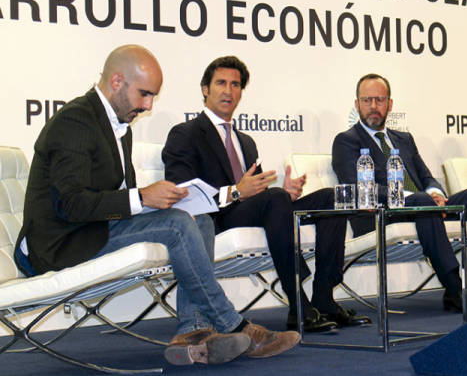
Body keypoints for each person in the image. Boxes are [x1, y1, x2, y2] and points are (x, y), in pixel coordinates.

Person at [14, 45, 298, 366]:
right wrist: (143, 197)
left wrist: (156, 201)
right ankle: (233, 323)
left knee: (197, 217)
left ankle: (191, 332)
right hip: (60, 242)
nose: (148, 105)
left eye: (153, 97)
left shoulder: (120, 124)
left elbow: (112, 198)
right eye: (144, 94)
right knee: (177, 224)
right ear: (117, 81)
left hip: (95, 228)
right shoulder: (76, 121)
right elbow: (70, 205)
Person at [162, 56, 370, 332]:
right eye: (221, 83)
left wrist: (285, 194)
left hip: (257, 211)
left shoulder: (245, 141)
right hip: (214, 220)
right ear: (205, 89)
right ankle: (298, 303)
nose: (228, 91)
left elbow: (258, 193)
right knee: (274, 199)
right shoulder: (185, 133)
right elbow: (182, 193)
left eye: (235, 85)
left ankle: (324, 297)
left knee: (331, 199)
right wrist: (236, 192)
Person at [331, 74, 467, 310]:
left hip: (424, 208)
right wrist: (418, 198)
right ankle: (454, 288)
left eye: (379, 100)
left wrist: (436, 193)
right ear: (357, 104)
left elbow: (425, 176)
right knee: (422, 201)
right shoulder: (346, 141)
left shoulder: (404, 138)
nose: (373, 107)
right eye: (367, 100)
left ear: (390, 104)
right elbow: (359, 188)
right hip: (380, 215)